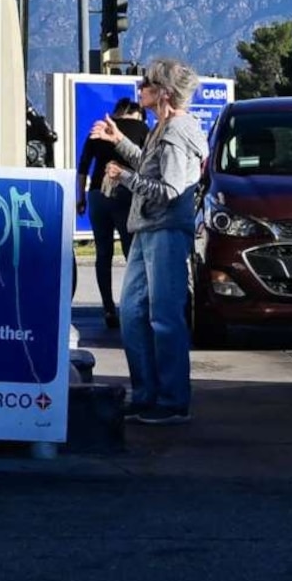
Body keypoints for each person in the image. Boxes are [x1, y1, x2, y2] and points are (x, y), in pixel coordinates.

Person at [93, 60, 206, 426]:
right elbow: (150, 166)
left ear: (164, 94)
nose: (139, 88)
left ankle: (171, 400)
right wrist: (121, 144)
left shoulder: (175, 132)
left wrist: (124, 177)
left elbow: (170, 190)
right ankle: (146, 395)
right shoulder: (163, 128)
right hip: (147, 229)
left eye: (148, 83)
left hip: (165, 231)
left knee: (164, 317)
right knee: (132, 313)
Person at [80, 96, 149, 331]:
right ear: (138, 113)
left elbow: (83, 167)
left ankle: (108, 307)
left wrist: (81, 198)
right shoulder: (143, 128)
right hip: (126, 193)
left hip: (98, 194)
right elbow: (148, 164)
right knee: (132, 253)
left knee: (103, 253)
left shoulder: (100, 128)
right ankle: (134, 306)